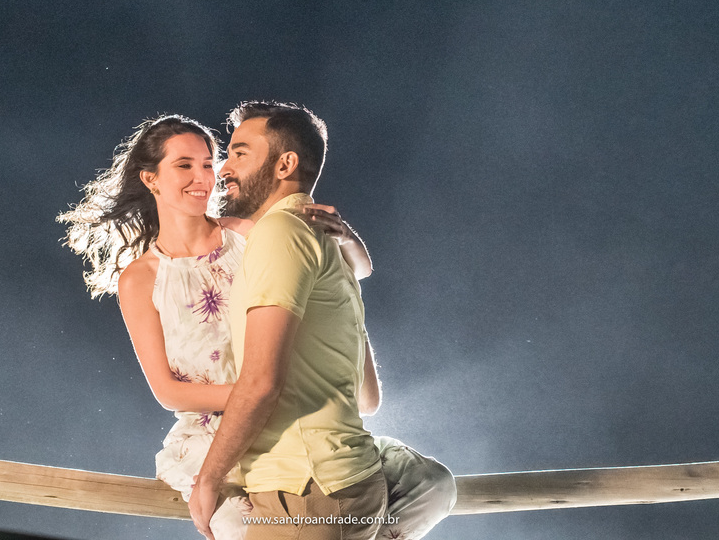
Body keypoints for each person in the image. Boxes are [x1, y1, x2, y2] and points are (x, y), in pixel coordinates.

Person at [60, 114, 454, 540]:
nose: (203, 176)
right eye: (184, 165)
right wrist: (261, 393)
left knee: (430, 485)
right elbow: (167, 390)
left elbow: (351, 270)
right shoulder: (140, 278)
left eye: (209, 163)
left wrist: (346, 237)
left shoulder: (250, 231)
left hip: (293, 421)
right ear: (151, 179)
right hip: (220, 435)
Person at [191, 101, 444, 540]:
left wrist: (208, 478)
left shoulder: (281, 233)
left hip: (304, 496)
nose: (223, 166)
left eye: (239, 152)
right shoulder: (331, 244)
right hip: (348, 482)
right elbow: (368, 401)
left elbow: (261, 381)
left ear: (284, 163)